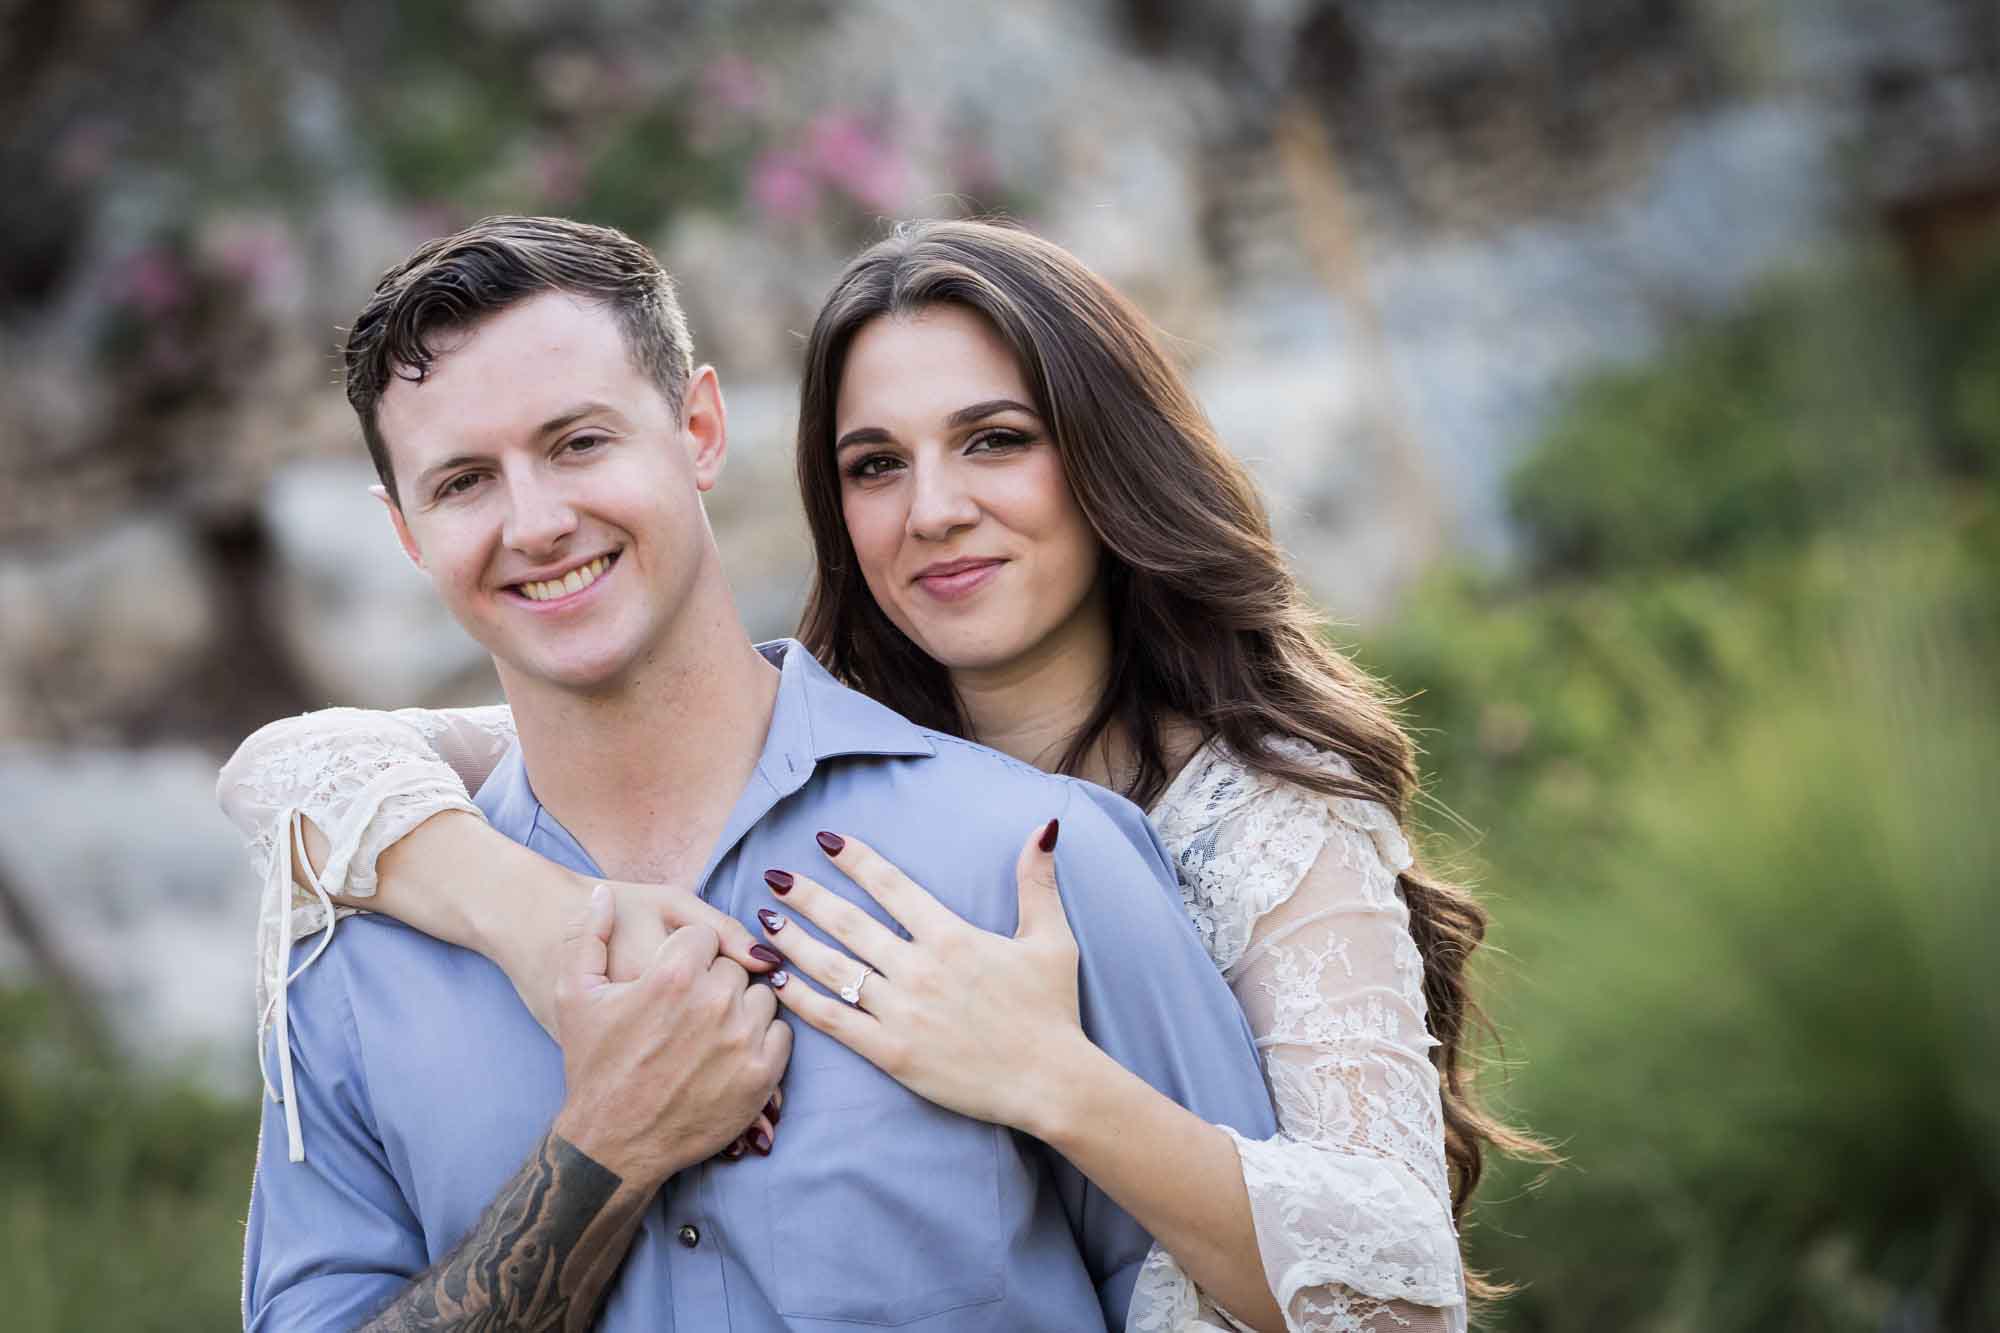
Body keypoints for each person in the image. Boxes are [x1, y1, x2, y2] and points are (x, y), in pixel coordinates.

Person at [222, 219, 1537, 1333]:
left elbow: (1389, 1298)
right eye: (875, 465)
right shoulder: (370, 937)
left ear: (699, 431)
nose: (935, 510)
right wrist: (559, 976)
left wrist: (1049, 1073)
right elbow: (301, 761)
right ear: (402, 531)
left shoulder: (1116, 847)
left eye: (996, 441)